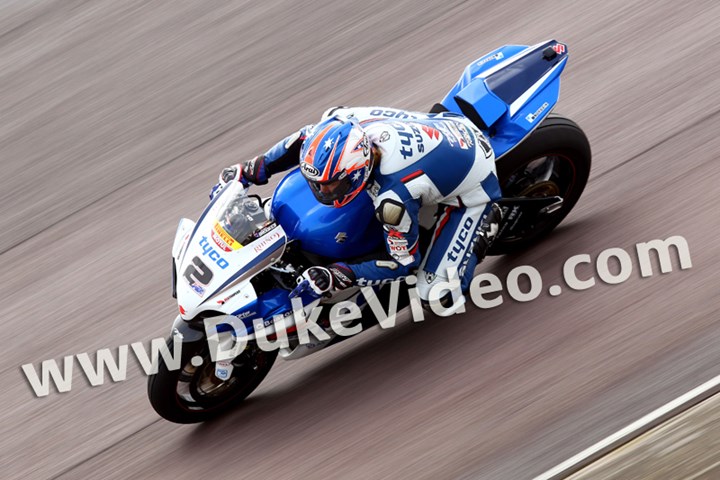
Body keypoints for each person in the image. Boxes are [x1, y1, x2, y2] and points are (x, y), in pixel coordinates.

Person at [211, 106, 502, 312]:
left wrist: (342, 275)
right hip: (442, 128)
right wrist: (251, 170)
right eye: (317, 183)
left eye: (332, 185)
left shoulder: (393, 199)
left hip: (473, 180)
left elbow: (404, 263)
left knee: (437, 295)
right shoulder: (340, 124)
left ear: (357, 171)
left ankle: (488, 223)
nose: (322, 191)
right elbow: (302, 139)